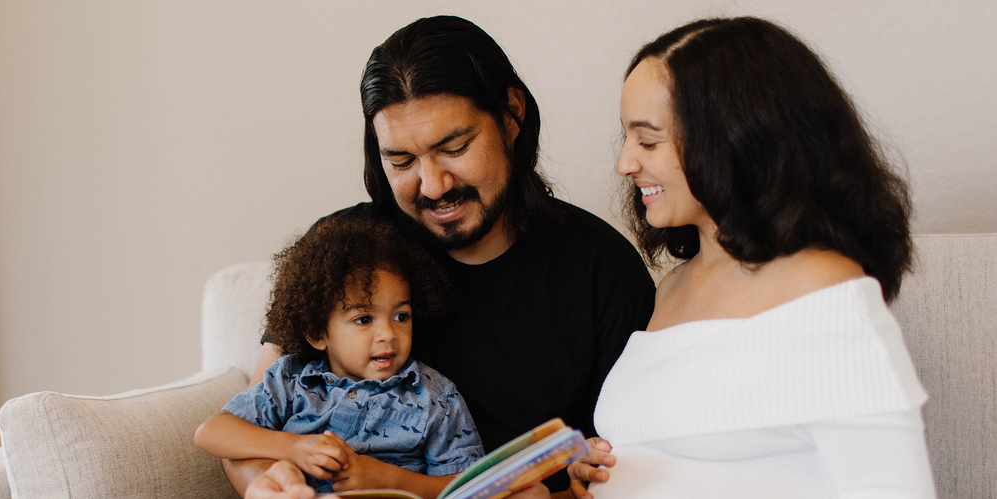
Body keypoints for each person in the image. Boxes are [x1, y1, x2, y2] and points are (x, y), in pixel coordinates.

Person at [227, 15, 656, 499]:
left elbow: (622, 462)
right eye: (402, 162)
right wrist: (264, 488)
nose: (433, 186)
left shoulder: (601, 270)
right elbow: (247, 431)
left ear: (511, 115)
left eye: (454, 148)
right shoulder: (346, 251)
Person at [587, 17, 935, 498]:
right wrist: (611, 473)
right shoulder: (671, 287)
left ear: (734, 139)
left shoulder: (823, 290)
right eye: (626, 138)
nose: (625, 162)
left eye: (648, 140)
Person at [195, 215, 485, 497]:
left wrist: (391, 480)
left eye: (400, 316)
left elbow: (472, 486)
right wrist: (293, 448)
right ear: (317, 333)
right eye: (363, 319)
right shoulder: (292, 380)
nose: (388, 333)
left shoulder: (436, 397)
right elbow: (211, 432)